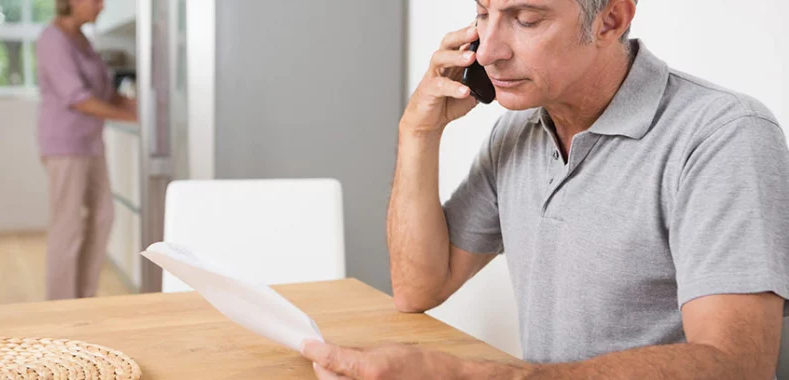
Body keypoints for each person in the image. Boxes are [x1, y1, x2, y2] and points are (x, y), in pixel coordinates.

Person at [301, 0, 789, 378]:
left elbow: (737, 365)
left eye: (526, 19)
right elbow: (418, 286)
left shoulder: (725, 136)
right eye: (483, 13)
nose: (488, 51)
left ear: (610, 20)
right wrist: (417, 131)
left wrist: (487, 376)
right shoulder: (519, 132)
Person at [36, 0, 137, 300]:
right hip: (65, 146)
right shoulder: (52, 39)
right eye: (95, 0)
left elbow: (105, 94)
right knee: (68, 227)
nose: (101, 6)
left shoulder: (85, 40)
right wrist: (132, 116)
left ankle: (84, 296)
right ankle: (61, 305)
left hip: (92, 144)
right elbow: (78, 98)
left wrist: (148, 106)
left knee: (103, 216)